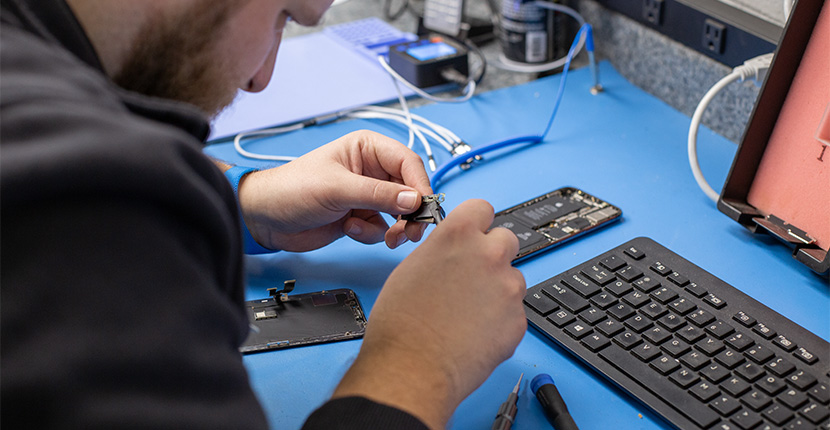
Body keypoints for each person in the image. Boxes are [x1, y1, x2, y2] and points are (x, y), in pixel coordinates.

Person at [0, 0, 527, 429]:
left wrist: (243, 198)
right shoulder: (74, 206)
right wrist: (419, 361)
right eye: (283, 16)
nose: (260, 79)